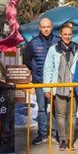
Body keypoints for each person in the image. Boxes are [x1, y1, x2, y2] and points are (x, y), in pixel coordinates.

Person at [42, 22, 78, 151]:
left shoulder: (77, 49)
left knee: (72, 115)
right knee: (60, 115)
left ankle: (70, 140)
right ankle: (62, 139)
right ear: (60, 35)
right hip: (58, 87)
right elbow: (48, 69)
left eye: (69, 34)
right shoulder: (53, 49)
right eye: (65, 34)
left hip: (73, 87)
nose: (67, 37)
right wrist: (47, 88)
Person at [23, 17, 59, 145]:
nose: (46, 29)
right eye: (44, 27)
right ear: (39, 28)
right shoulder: (33, 43)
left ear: (52, 27)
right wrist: (35, 70)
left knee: (55, 108)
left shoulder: (57, 41)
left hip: (55, 82)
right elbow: (26, 60)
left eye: (48, 26)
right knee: (42, 108)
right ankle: (42, 134)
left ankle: (55, 133)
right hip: (39, 81)